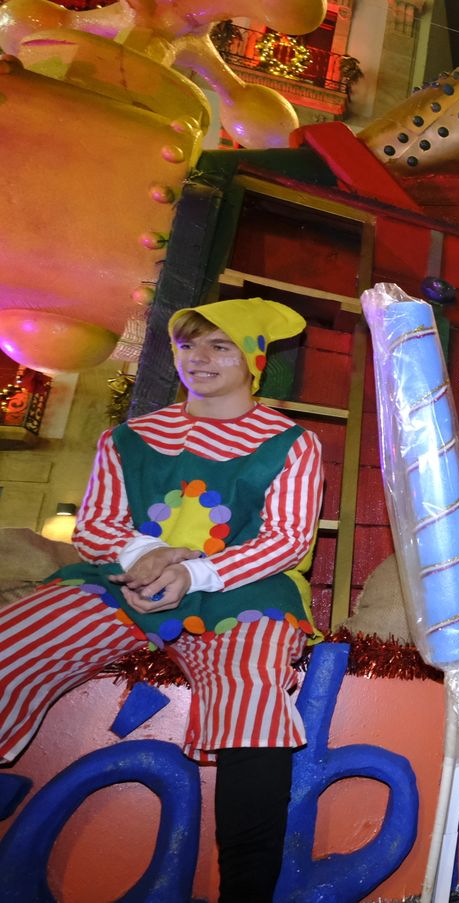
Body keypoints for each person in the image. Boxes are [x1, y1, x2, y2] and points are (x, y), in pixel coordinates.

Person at [0, 299, 322, 900]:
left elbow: (287, 539)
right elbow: (96, 524)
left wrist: (194, 574)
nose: (197, 359)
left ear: (253, 358)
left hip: (240, 588)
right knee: (15, 638)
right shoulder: (130, 437)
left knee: (250, 690)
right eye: (188, 346)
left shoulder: (291, 443)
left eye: (218, 346)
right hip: (122, 582)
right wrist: (142, 559)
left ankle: (247, 890)